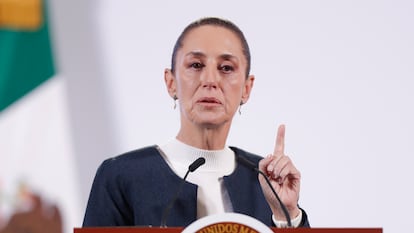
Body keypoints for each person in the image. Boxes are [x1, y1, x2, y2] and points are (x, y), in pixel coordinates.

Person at [82, 17, 310, 228]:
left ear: (246, 89)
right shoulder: (121, 176)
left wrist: (287, 215)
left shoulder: (266, 181)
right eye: (196, 65)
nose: (210, 80)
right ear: (171, 82)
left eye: (226, 68)